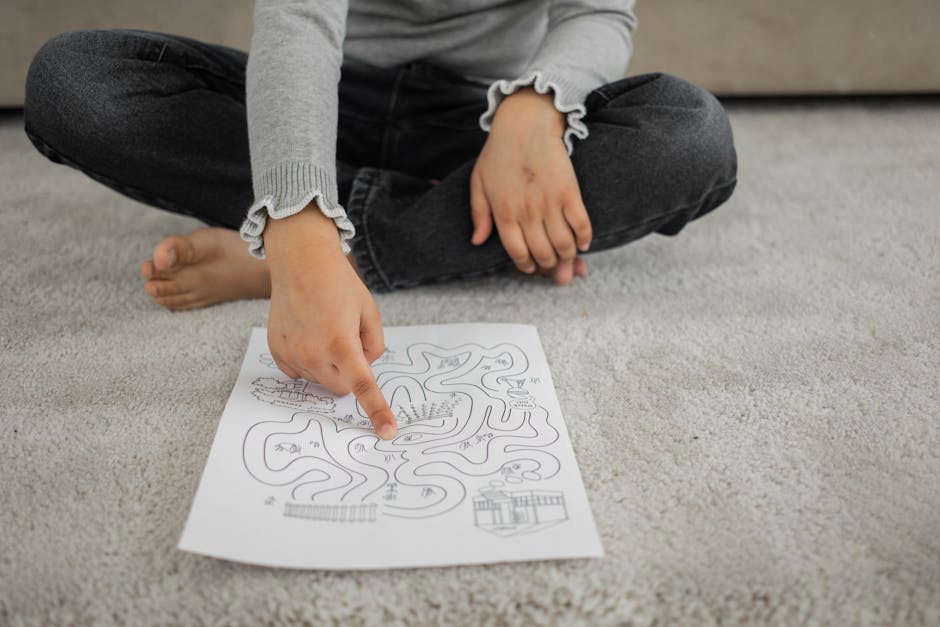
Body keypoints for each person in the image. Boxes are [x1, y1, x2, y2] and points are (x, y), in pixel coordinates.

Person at [22, 0, 737, 441]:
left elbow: (596, 12)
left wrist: (535, 111)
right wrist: (300, 225)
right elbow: (297, 19)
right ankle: (358, 230)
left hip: (485, 121)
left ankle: (331, 252)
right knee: (72, 82)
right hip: (327, 101)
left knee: (690, 137)